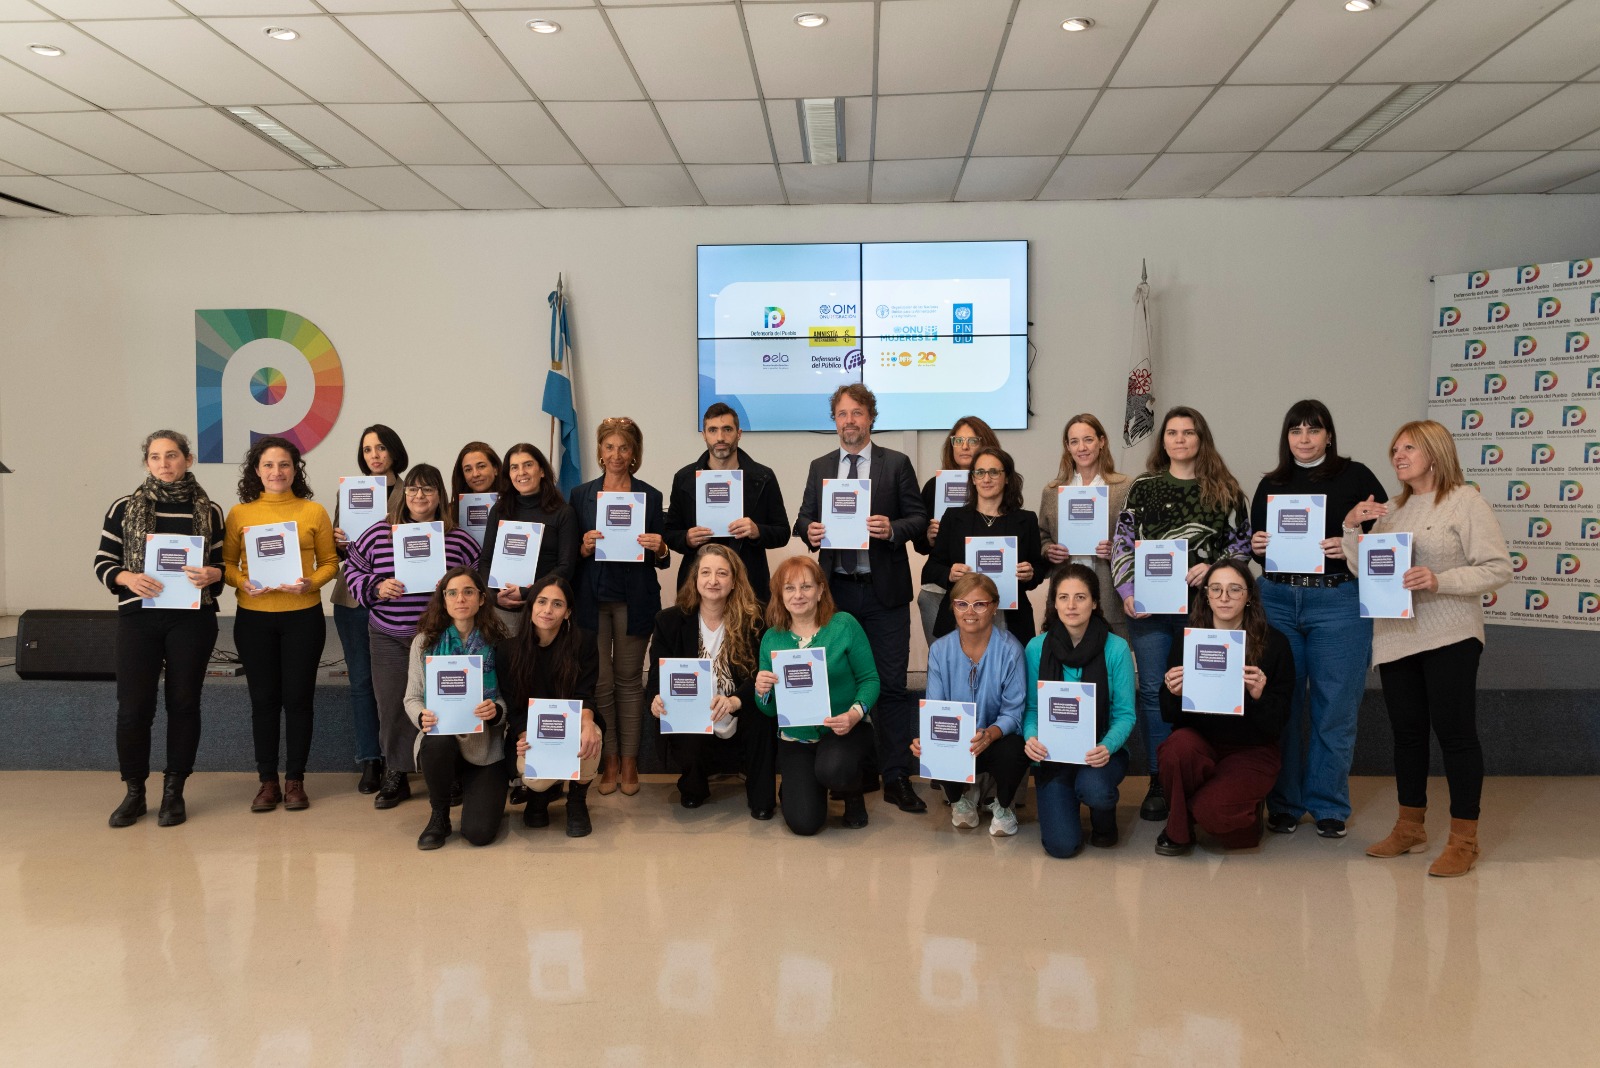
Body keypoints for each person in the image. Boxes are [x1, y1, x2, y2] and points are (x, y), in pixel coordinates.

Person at [1345, 420, 1511, 878]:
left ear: (1435, 452)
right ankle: (1410, 826)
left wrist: (1441, 580)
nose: (1397, 456)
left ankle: (1464, 839)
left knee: (1455, 736)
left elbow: (1497, 568)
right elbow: (1366, 571)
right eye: (1394, 449)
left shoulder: (1466, 501)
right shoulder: (1392, 509)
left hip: (1450, 634)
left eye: (1408, 448)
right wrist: (1351, 528)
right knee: (1408, 736)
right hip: (1396, 636)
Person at [1249, 400, 1389, 839]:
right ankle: (1286, 804)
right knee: (1281, 706)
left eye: (1314, 429)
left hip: (1338, 603)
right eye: (1296, 430)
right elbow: (1256, 547)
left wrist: (1349, 545)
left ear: (1329, 435)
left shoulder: (1357, 476)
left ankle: (1328, 804)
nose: (1305, 438)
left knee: (1335, 707)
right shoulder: (1270, 483)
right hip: (1276, 601)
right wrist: (1256, 544)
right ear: (1286, 437)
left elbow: (1386, 537)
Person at [1111, 406, 1251, 823]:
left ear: (1201, 439)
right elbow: (1122, 541)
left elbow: (1243, 548)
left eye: (1188, 432)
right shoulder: (1144, 486)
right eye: (1171, 432)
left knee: (1205, 690)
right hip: (1151, 610)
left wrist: (1213, 568)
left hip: (1207, 610)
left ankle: (1202, 776)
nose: (1179, 439)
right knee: (1156, 691)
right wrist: (1127, 590)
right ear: (1163, 441)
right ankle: (1160, 779)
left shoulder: (1225, 489)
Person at [793, 384, 929, 814]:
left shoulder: (896, 464)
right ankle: (853, 774)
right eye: (842, 414)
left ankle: (896, 777)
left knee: (889, 686)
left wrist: (892, 529)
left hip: (884, 593)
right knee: (839, 682)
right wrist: (809, 530)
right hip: (837, 595)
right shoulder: (820, 467)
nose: (849, 421)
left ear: (871, 418)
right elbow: (802, 516)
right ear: (833, 420)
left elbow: (919, 519)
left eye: (857, 413)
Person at [95, 430, 226, 828]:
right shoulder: (123, 507)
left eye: (172, 455)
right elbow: (103, 562)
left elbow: (220, 572)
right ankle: (134, 792)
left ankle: (175, 792)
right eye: (155, 457)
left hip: (192, 618)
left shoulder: (210, 510)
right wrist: (126, 578)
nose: (164, 463)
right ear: (147, 462)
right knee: (134, 707)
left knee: (184, 704)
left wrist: (212, 573)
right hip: (139, 617)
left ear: (188, 459)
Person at [345, 463, 482, 810]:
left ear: (440, 496)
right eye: (413, 490)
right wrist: (377, 586)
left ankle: (447, 771)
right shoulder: (379, 533)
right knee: (392, 704)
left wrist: (455, 586)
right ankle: (397, 771)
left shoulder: (458, 538)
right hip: (390, 634)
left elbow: (478, 579)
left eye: (428, 489)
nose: (419, 496)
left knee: (445, 706)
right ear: (403, 495)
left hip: (442, 637)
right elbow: (353, 570)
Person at [222, 435, 338, 813]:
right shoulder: (240, 514)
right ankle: (267, 782)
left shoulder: (313, 511)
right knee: (264, 701)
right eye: (269, 465)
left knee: (299, 699)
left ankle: (295, 780)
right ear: (256, 471)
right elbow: (226, 565)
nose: (277, 472)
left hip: (303, 617)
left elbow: (330, 563)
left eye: (284, 464)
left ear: (294, 470)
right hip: (254, 618)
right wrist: (242, 582)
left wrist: (311, 583)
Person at [1154, 560, 1294, 855]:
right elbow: (1169, 714)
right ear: (1205, 595)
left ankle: (1209, 808)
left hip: (1252, 749)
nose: (1224, 597)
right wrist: (1172, 692)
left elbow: (1279, 722)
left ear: (1250, 596)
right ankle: (1178, 829)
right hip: (1201, 743)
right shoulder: (1187, 640)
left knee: (1216, 816)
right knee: (1175, 748)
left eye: (1234, 589)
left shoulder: (1275, 644)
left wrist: (1259, 696)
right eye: (1215, 589)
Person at [571, 416, 669, 796]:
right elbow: (569, 554)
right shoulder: (581, 495)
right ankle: (608, 759)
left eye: (623, 448)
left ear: (634, 454)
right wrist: (583, 546)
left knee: (629, 682)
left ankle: (630, 761)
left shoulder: (650, 495)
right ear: (599, 451)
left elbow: (663, 557)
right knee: (600, 682)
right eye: (609, 447)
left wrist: (658, 546)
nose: (615, 454)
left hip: (634, 599)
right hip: (590, 601)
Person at [645, 545, 776, 817]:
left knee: (762, 713)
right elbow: (657, 682)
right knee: (683, 720)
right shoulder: (668, 622)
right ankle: (694, 785)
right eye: (705, 572)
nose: (713, 581)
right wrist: (655, 701)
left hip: (739, 711)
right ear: (695, 580)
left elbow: (763, 673)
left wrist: (734, 700)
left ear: (734, 582)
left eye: (721, 574)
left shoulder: (756, 620)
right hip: (694, 717)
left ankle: (761, 795)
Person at [753, 556, 879, 835]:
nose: (798, 595)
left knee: (835, 768)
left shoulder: (844, 625)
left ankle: (853, 791)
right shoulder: (772, 638)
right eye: (789, 588)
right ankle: (802, 782)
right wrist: (762, 692)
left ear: (821, 591)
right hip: (797, 736)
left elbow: (870, 680)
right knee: (804, 823)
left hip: (843, 730)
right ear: (779, 595)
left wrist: (854, 714)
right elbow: (769, 711)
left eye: (806, 587)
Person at [1023, 563, 1136, 858]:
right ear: (1054, 603)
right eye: (1063, 597)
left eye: (1081, 597)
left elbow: (1125, 714)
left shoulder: (1116, 648)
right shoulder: (1036, 648)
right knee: (1062, 846)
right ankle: (1067, 800)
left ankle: (1102, 814)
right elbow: (1033, 709)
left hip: (1099, 753)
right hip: (1054, 755)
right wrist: (1031, 737)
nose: (1071, 605)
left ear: (1095, 602)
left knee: (1096, 790)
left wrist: (1106, 746)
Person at [912, 573, 1029, 837]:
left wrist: (989, 734)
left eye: (980, 604)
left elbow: (1014, 713)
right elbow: (935, 707)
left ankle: (1003, 805)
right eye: (961, 604)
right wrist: (927, 740)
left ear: (994, 606)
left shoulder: (1011, 649)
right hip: (958, 739)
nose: (970, 612)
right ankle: (959, 800)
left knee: (1016, 749)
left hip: (996, 737)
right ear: (953, 607)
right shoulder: (940, 650)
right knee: (935, 744)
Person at [404, 567, 509, 850]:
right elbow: (412, 698)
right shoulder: (424, 643)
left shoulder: (498, 643)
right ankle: (439, 814)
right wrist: (421, 716)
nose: (460, 598)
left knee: (478, 834)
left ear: (482, 599)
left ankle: (473, 788)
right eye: (452, 593)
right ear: (444, 599)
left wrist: (496, 711)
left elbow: (506, 698)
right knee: (436, 743)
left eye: (468, 592)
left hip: (484, 745)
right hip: (442, 739)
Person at [330, 423, 408, 794]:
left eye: (380, 448)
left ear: (394, 451)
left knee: (399, 685)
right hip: (353, 599)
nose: (374, 456)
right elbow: (340, 553)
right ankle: (371, 760)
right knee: (361, 682)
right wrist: (339, 542)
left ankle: (403, 761)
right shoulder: (349, 491)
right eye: (367, 450)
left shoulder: (415, 491)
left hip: (399, 600)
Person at [500, 575, 605, 838]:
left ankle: (577, 800)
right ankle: (541, 794)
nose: (548, 610)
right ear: (531, 605)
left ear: (568, 612)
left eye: (557, 604)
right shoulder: (507, 651)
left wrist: (588, 723)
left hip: (573, 725)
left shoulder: (584, 643)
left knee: (592, 737)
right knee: (535, 779)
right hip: (532, 732)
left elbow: (585, 693)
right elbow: (513, 707)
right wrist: (523, 734)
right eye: (542, 602)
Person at [663, 402, 791, 603]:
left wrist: (757, 531)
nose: (720, 437)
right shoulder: (684, 478)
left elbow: (783, 532)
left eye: (727, 429)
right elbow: (670, 533)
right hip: (699, 584)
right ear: (704, 435)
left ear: (738, 433)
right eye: (713, 430)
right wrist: (686, 538)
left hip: (749, 584)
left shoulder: (763, 476)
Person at [925, 446, 1043, 649]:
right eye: (980, 472)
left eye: (994, 472)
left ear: (1007, 478)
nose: (986, 479)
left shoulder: (1026, 519)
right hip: (961, 618)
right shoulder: (953, 518)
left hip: (1010, 618)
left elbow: (1038, 570)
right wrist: (949, 574)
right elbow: (931, 568)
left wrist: (1030, 573)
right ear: (972, 478)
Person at [1039, 413, 1132, 642]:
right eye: (1074, 441)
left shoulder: (1124, 487)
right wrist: (1049, 549)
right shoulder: (1052, 491)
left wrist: (1117, 552)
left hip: (1109, 591)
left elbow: (1138, 539)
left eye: (1088, 439)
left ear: (1102, 442)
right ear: (1067, 447)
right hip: (1066, 590)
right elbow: (1042, 536)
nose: (1082, 447)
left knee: (1111, 662)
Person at [911, 416, 1001, 641]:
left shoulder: (997, 487)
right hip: (940, 589)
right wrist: (929, 538)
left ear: (985, 444)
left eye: (972, 440)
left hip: (986, 587)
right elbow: (920, 544)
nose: (964, 446)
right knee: (945, 660)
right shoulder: (934, 486)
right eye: (958, 440)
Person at [478, 442, 579, 635]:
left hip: (544, 610)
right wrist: (493, 597)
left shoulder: (563, 513)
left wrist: (526, 592)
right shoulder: (499, 511)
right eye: (514, 467)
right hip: (502, 611)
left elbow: (565, 568)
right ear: (508, 474)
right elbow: (485, 560)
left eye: (528, 465)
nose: (521, 472)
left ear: (541, 471)